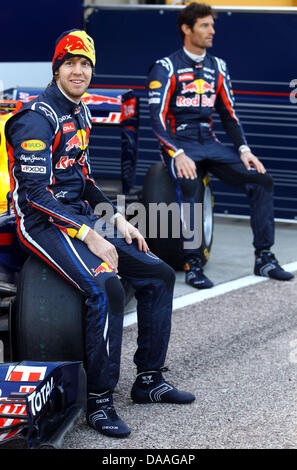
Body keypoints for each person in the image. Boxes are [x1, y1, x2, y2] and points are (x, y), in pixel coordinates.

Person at [5, 29, 195, 438]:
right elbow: (36, 196)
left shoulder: (80, 112)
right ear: (57, 68)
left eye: (85, 64)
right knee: (104, 288)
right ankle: (99, 400)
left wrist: (116, 217)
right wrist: (90, 235)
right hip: (39, 222)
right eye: (70, 63)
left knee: (158, 274)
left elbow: (83, 176)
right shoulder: (36, 119)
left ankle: (149, 380)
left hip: (76, 215)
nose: (78, 71)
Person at [147, 2, 294, 289]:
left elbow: (229, 114)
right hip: (179, 144)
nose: (212, 30)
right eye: (205, 25)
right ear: (186, 29)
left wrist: (243, 149)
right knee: (190, 185)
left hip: (209, 143)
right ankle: (193, 264)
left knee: (262, 180)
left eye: (212, 25)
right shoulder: (166, 67)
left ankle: (264, 256)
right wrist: (176, 153)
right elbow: (157, 118)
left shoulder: (219, 66)